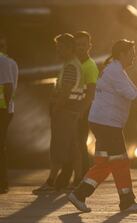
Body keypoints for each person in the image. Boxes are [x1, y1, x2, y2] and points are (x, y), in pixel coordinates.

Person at [68, 39, 137, 213]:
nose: (134, 57)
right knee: (121, 162)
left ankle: (79, 195)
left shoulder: (115, 69)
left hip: (101, 122)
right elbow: (131, 96)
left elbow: (135, 91)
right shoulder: (115, 71)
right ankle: (127, 202)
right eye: (131, 54)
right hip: (108, 124)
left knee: (104, 163)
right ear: (122, 54)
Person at [33, 33, 84, 194]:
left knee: (58, 147)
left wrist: (56, 108)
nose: (58, 51)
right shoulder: (74, 64)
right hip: (72, 110)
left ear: (69, 48)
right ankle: (78, 180)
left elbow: (66, 90)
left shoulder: (70, 66)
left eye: (60, 48)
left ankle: (51, 181)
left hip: (65, 111)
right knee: (72, 146)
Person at [54, 31, 99, 190]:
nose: (80, 48)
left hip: (83, 110)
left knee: (79, 144)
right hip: (76, 110)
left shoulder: (90, 66)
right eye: (78, 45)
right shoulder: (75, 64)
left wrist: (81, 112)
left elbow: (90, 93)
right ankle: (66, 178)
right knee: (72, 144)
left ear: (89, 46)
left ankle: (81, 179)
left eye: (84, 45)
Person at [0, 33, 18, 194]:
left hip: (2, 109)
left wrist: (5, 108)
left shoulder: (4, 61)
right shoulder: (8, 61)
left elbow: (8, 86)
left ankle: (3, 182)